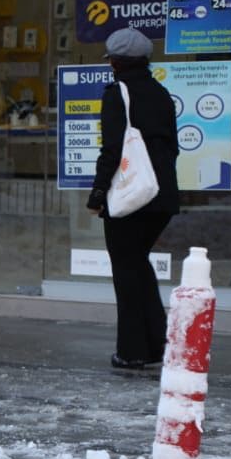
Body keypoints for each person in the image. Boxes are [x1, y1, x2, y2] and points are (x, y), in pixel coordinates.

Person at [86, 28, 180, 370]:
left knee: (127, 273)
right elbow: (172, 147)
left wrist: (97, 194)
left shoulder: (117, 94)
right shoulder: (161, 93)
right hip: (161, 197)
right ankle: (157, 344)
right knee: (138, 267)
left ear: (115, 62)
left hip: (130, 199)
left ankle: (132, 351)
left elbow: (111, 151)